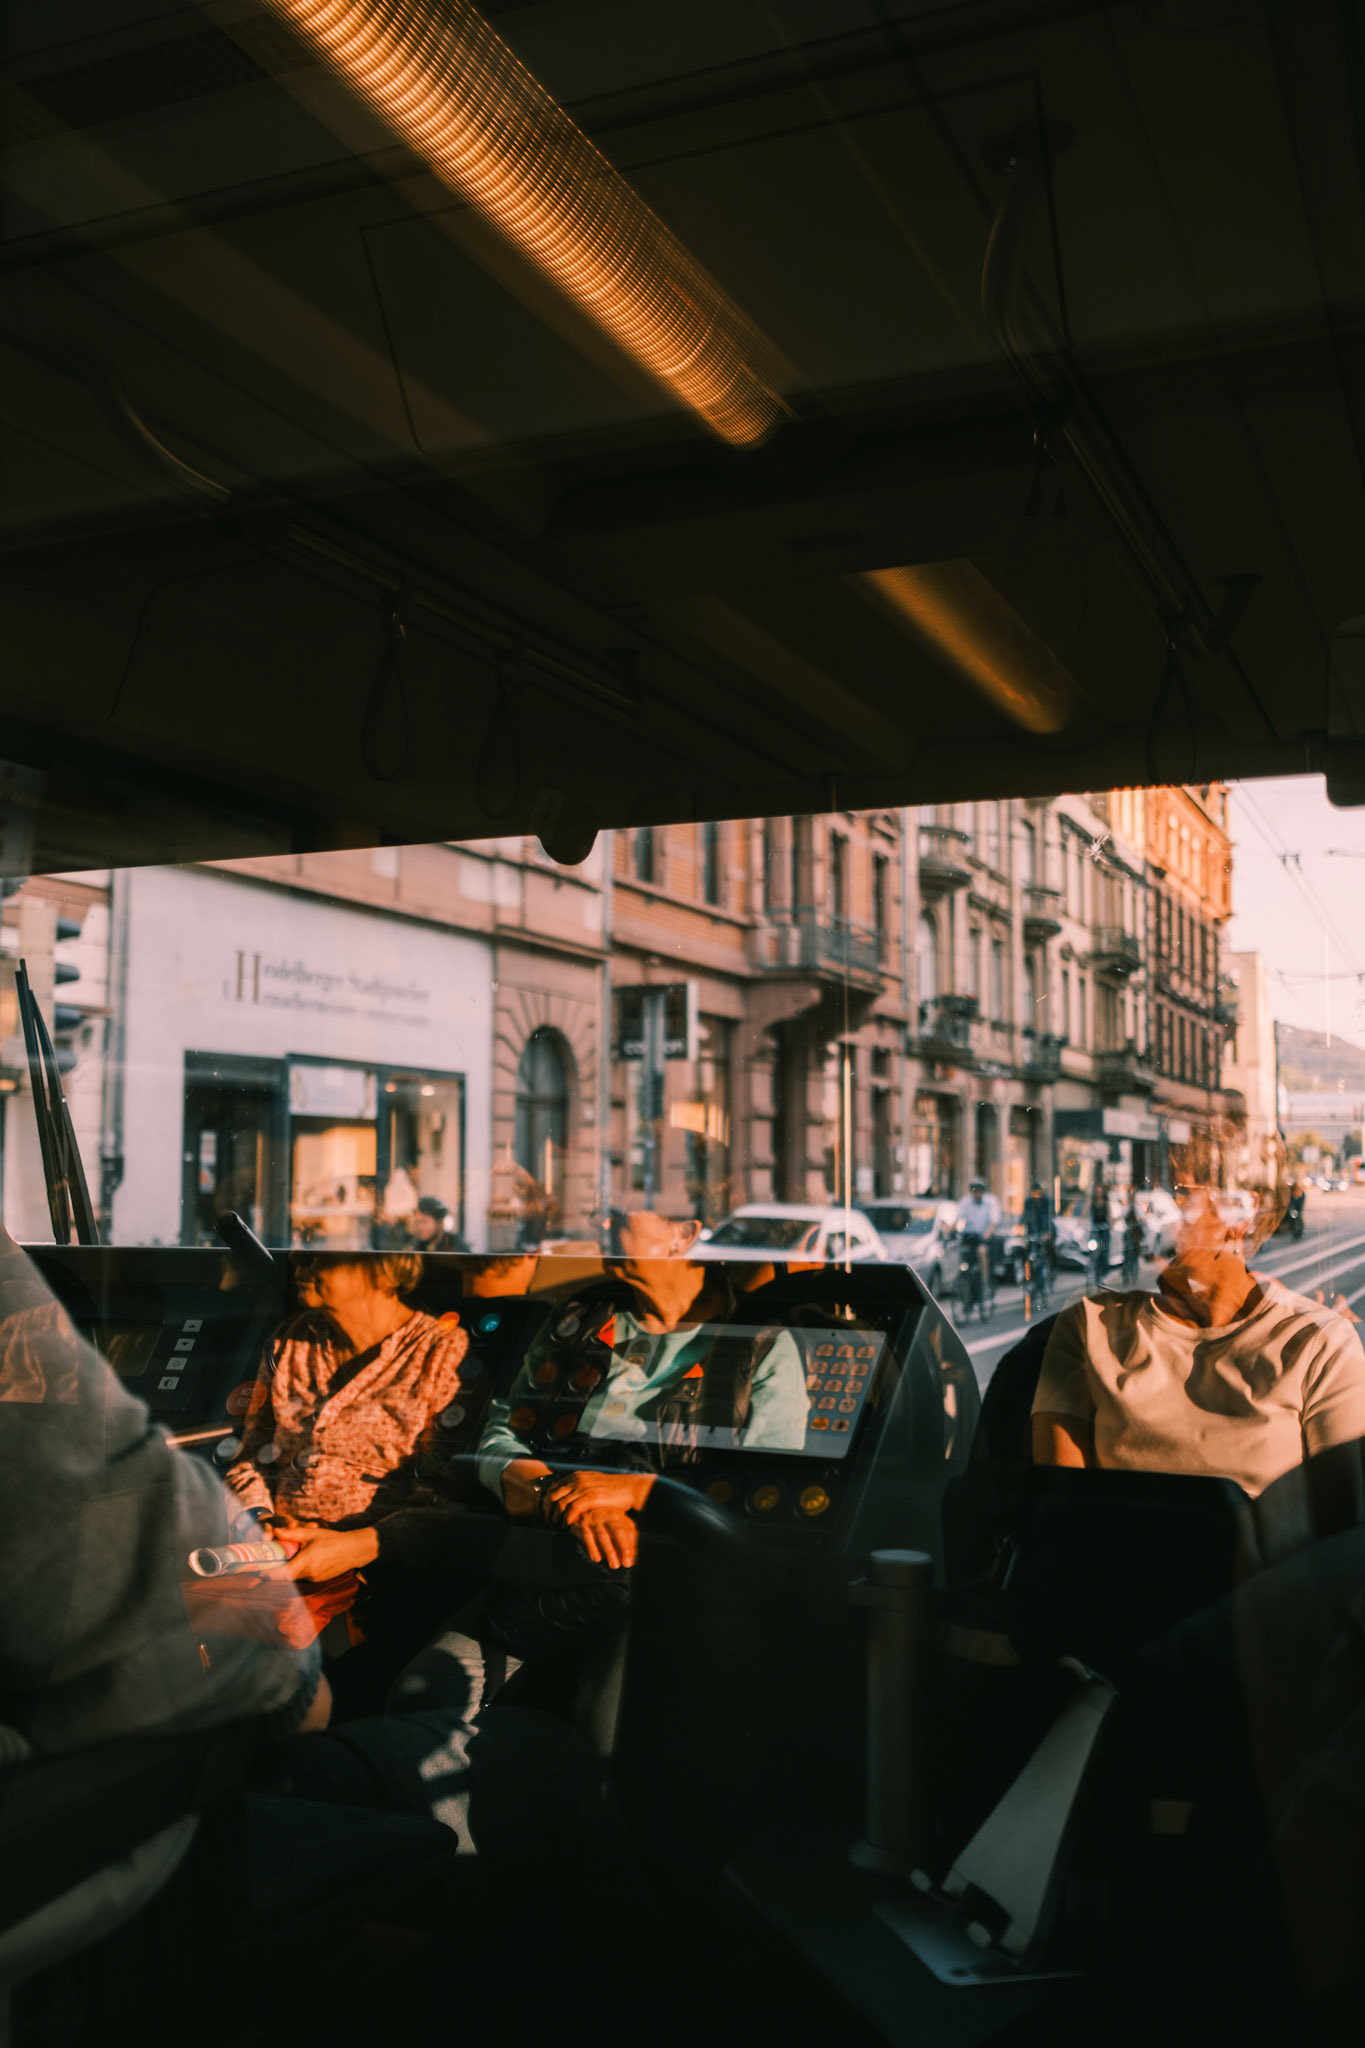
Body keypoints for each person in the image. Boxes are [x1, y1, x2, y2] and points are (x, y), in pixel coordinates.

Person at [478, 1208, 809, 1571]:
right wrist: (562, 1501)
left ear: (683, 1234)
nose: (601, 1223)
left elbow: (770, 1493)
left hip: (678, 1571)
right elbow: (503, 1434)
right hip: (543, 1554)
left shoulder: (760, 1343)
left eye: (619, 1214)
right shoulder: (580, 1318)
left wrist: (639, 1491)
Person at [1031, 1181, 1365, 1497]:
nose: (1162, 1223)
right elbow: (1063, 1505)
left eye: (1184, 1203)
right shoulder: (1090, 1324)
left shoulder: (1320, 1342)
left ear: (1239, 1221)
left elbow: (1338, 1521)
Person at [225, 1252, 470, 1586]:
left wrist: (358, 1545)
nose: (298, 1257)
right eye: (298, 1244)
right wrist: (259, 1519)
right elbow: (252, 1453)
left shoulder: (442, 1351)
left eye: (320, 1245)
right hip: (276, 1555)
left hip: (382, 1574)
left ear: (382, 1266)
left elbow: (448, 1497)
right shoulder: (291, 1339)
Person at [956, 1178, 999, 1314]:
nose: (977, 1194)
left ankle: (985, 1283)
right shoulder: (965, 1202)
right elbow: (958, 1219)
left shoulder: (990, 1202)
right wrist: (949, 1229)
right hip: (969, 1237)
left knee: (981, 1251)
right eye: (974, 1191)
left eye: (979, 1191)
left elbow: (993, 1221)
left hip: (984, 1236)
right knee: (964, 1263)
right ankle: (967, 1295)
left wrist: (987, 1233)